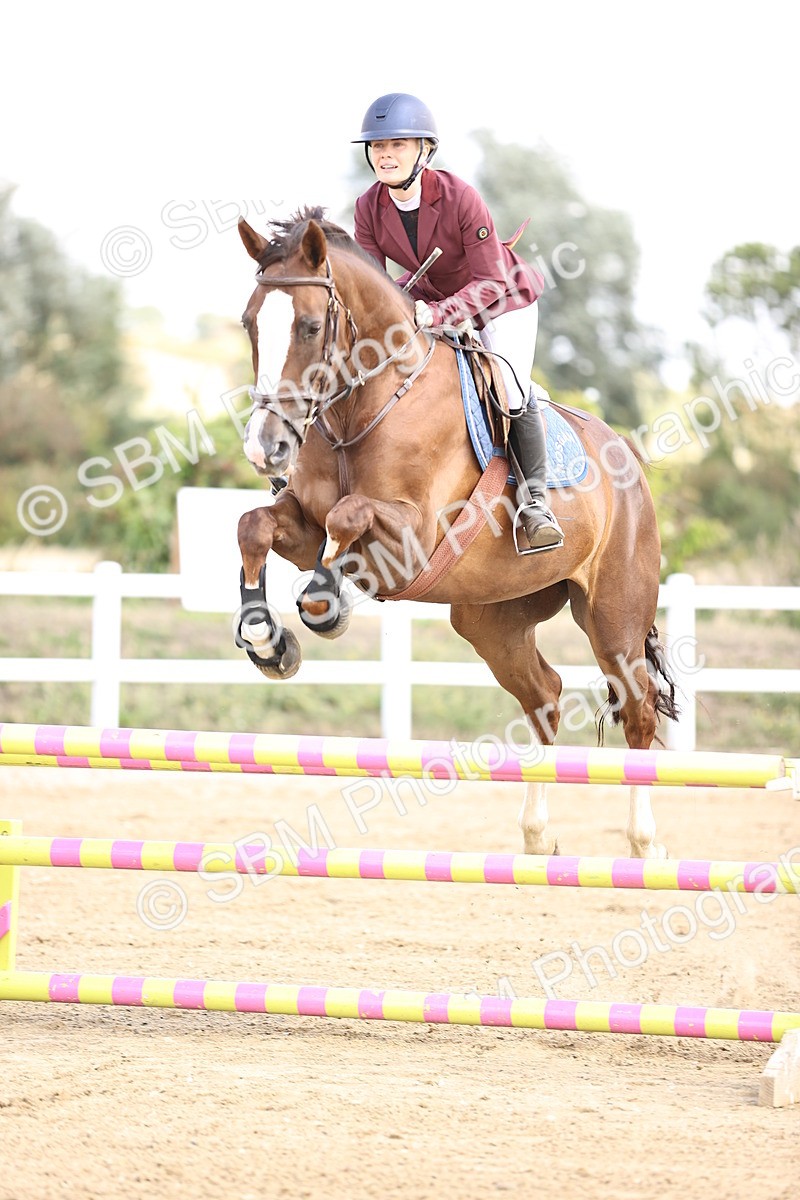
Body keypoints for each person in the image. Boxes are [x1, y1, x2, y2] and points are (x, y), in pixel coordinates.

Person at [352, 92, 564, 553]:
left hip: (501, 299)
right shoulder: (368, 207)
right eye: (378, 147)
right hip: (429, 297)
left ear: (424, 150)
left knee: (510, 388)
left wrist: (441, 314)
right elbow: (374, 287)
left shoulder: (460, 197)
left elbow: (489, 280)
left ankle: (535, 506)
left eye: (397, 146)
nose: (385, 155)